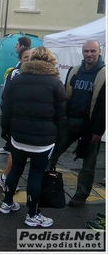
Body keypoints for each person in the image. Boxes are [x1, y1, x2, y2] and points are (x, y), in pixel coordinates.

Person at [0, 46, 66, 228]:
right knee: (36, 175)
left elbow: (7, 108)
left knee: (15, 170)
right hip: (42, 141)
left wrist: (6, 131)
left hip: (18, 137)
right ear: (50, 62)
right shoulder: (55, 83)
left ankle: (7, 203)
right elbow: (61, 115)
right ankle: (32, 214)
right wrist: (60, 138)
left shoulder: (18, 79)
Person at [49, 39, 106, 207]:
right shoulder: (75, 71)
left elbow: (104, 106)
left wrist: (98, 130)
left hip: (90, 126)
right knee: (53, 152)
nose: (89, 54)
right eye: (86, 51)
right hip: (71, 122)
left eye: (92, 51)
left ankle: (80, 196)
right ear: (82, 52)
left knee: (88, 165)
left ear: (99, 52)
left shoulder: (104, 74)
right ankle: (46, 184)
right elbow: (67, 97)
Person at [0, 47, 32, 192]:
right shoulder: (15, 74)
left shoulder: (32, 74)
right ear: (20, 59)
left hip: (27, 121)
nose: (29, 60)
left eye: (31, 58)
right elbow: (7, 98)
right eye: (25, 57)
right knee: (17, 152)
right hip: (16, 120)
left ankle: (9, 179)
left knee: (19, 153)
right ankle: (5, 178)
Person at [0, 36, 31, 153]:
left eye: (17, 44)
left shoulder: (28, 73)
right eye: (25, 57)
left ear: (22, 46)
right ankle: (9, 146)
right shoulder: (15, 70)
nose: (15, 46)